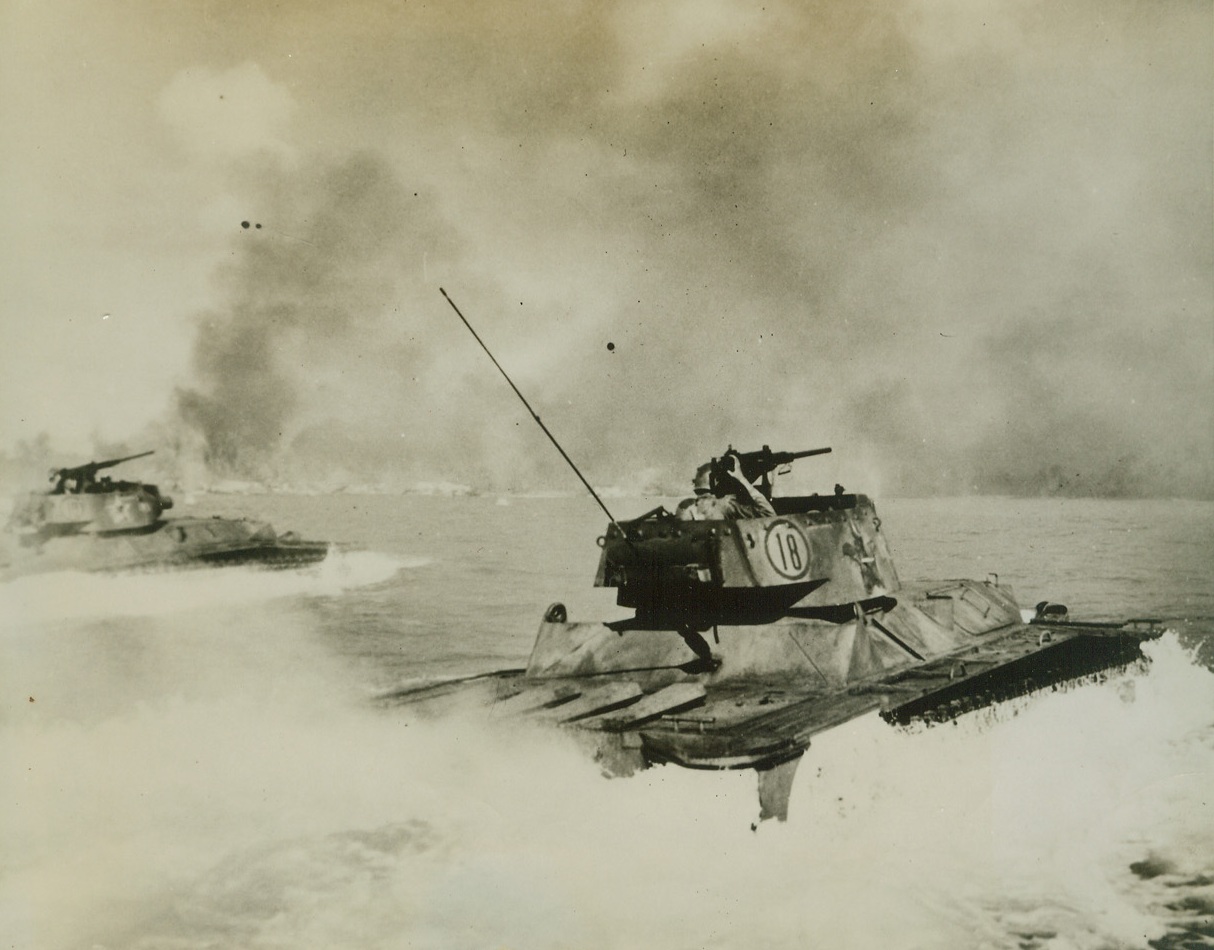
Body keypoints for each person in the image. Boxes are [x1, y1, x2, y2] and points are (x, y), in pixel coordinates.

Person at [675, 451, 776, 521]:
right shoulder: (726, 504)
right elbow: (769, 514)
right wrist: (741, 478)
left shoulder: (686, 506)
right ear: (717, 481)